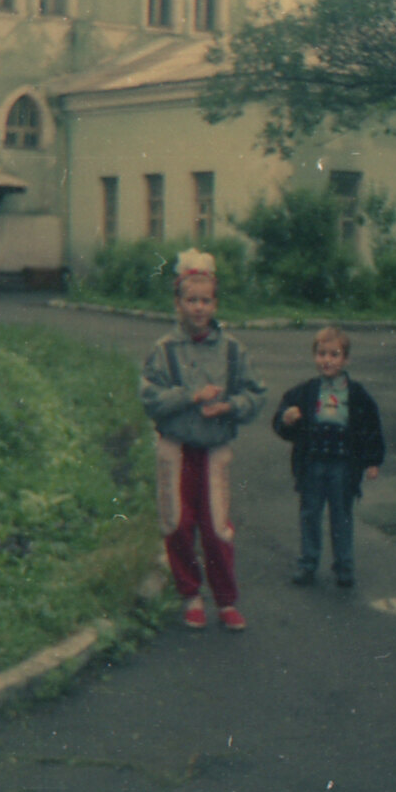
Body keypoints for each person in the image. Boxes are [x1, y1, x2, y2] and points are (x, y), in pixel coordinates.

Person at [140, 249, 267, 631]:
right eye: (191, 300)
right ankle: (190, 594)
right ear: (178, 303)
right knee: (177, 522)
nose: (198, 308)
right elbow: (150, 399)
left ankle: (226, 601)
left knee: (216, 527)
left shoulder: (233, 350)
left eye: (206, 300)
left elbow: (256, 393)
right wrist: (189, 396)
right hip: (176, 448)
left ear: (215, 303)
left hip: (214, 449)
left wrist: (229, 406)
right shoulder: (164, 351)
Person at [272, 326, 385, 588]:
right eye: (322, 354)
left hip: (344, 467)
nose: (327, 360)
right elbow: (282, 418)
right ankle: (308, 564)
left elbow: (371, 427)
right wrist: (286, 418)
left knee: (341, 516)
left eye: (334, 355)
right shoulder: (304, 392)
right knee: (310, 514)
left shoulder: (357, 394)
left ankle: (344, 567)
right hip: (312, 464)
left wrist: (373, 460)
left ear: (346, 360)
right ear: (314, 357)